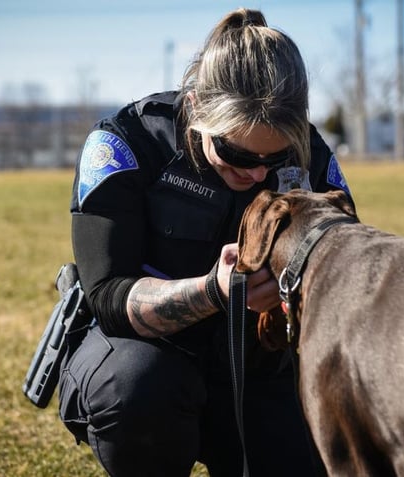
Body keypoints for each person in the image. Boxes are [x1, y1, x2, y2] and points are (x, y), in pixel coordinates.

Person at [58, 8, 354, 477]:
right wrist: (215, 291)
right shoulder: (127, 144)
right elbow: (108, 296)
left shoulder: (310, 154)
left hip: (259, 370)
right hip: (146, 364)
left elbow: (348, 270)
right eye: (235, 153)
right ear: (196, 108)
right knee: (138, 389)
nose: (257, 173)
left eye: (274, 158)